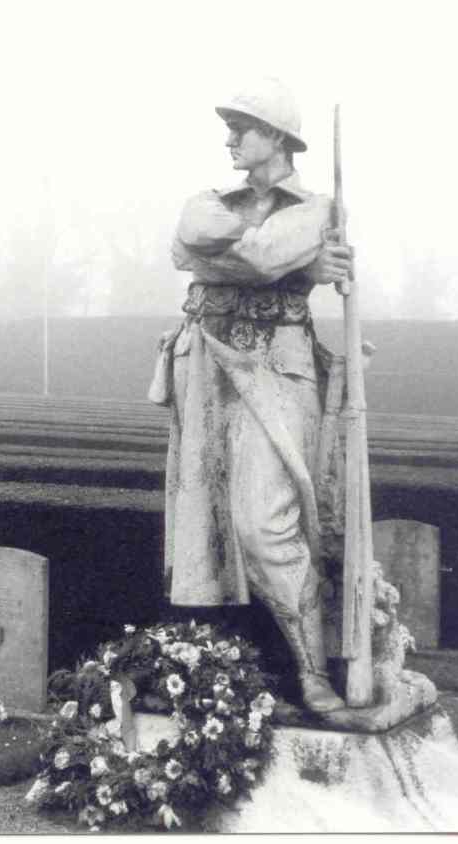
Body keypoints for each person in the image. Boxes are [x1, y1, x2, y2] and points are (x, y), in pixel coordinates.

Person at [150, 78, 355, 713]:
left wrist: (257, 259)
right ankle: (225, 672)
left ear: (280, 139)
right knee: (204, 526)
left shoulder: (317, 209)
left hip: (276, 367)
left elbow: (264, 255)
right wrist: (298, 266)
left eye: (244, 127)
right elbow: (187, 242)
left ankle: (313, 672)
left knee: (266, 521)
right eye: (231, 126)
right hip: (208, 366)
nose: (231, 137)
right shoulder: (208, 200)